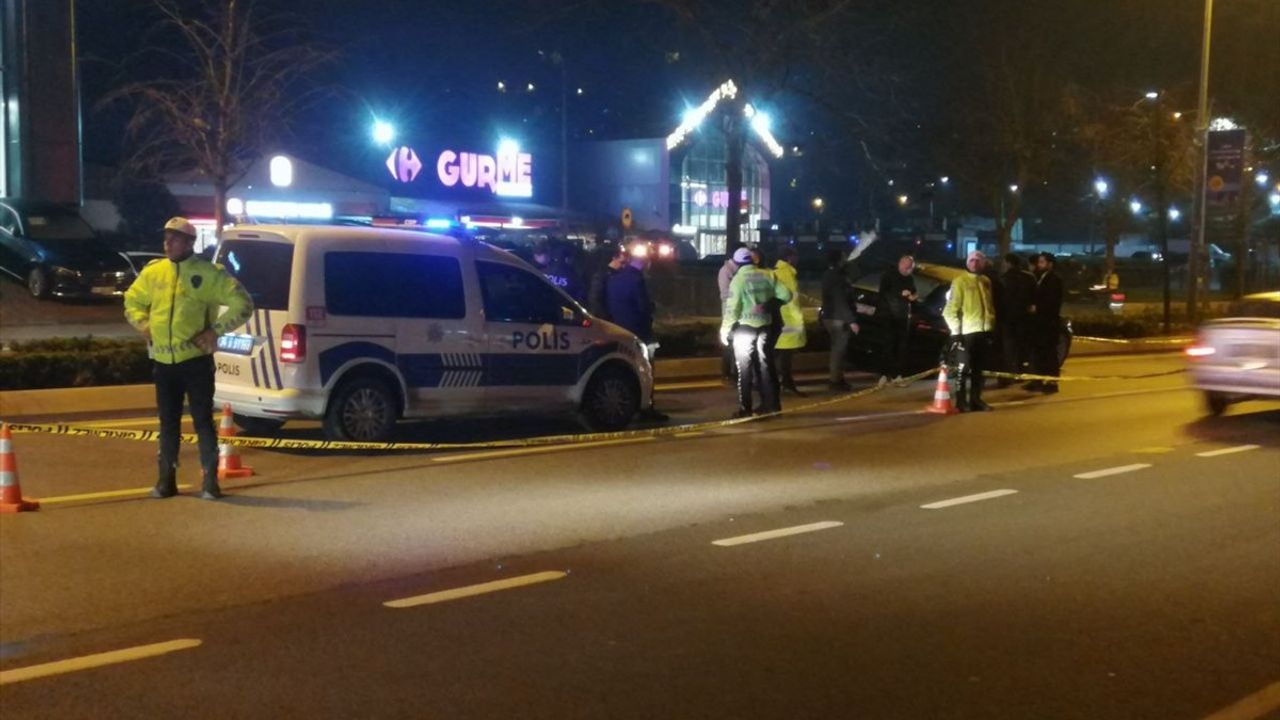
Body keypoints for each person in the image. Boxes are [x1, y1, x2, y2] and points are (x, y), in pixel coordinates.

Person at [123, 217, 254, 499]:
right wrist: (143, 324)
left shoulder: (209, 274)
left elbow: (243, 304)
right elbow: (131, 300)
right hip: (163, 364)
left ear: (190, 243)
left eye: (175, 238)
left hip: (195, 363)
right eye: (166, 238)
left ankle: (209, 482)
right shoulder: (154, 272)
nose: (167, 243)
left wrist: (214, 330)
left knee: (202, 421)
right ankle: (165, 481)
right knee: (167, 422)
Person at [721, 247, 792, 417]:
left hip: (744, 328)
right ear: (752, 260)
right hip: (765, 326)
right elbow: (787, 295)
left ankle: (746, 408)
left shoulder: (738, 280)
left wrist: (725, 330)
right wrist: (768, 304)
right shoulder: (768, 274)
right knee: (766, 365)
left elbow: (732, 309)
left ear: (737, 263)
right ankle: (772, 405)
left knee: (744, 369)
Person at [606, 248, 669, 421]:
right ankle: (647, 407)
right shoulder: (637, 280)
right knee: (648, 369)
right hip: (641, 332)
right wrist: (652, 308)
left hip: (621, 330)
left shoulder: (614, 278)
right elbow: (643, 308)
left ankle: (632, 406)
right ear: (644, 263)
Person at [942, 250, 996, 412]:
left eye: (978, 260)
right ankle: (960, 401)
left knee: (979, 369)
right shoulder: (960, 281)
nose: (975, 263)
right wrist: (956, 332)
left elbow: (989, 306)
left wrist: (991, 327)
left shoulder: (986, 281)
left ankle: (976, 399)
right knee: (963, 369)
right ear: (967, 262)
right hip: (966, 333)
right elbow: (950, 310)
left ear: (984, 263)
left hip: (983, 332)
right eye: (971, 260)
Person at [820, 247, 859, 391]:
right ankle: (835, 381)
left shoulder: (829, 274)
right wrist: (851, 320)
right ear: (839, 260)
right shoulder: (837, 277)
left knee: (837, 349)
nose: (845, 259)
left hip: (831, 316)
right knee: (839, 350)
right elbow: (840, 300)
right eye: (843, 257)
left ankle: (838, 378)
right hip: (838, 318)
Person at [876, 253, 918, 387]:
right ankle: (884, 374)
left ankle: (897, 375)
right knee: (888, 345)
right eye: (907, 268)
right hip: (889, 315)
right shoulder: (889, 276)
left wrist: (913, 296)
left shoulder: (909, 279)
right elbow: (882, 294)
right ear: (901, 264)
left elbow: (914, 292)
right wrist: (899, 294)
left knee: (901, 346)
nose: (909, 270)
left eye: (911, 268)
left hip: (902, 316)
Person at [772, 245, 807, 396]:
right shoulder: (787, 274)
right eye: (796, 256)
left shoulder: (774, 272)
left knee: (777, 354)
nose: (798, 259)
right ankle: (786, 383)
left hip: (778, 319)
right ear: (789, 258)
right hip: (788, 321)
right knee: (785, 356)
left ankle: (779, 382)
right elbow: (793, 300)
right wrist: (799, 321)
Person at [997, 253, 1036, 386]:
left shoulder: (1003, 279)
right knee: (1023, 347)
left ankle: (1008, 377)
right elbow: (1034, 298)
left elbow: (998, 301)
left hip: (1007, 320)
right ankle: (1022, 373)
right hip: (1025, 319)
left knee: (1008, 349)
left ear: (1008, 263)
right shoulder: (1029, 278)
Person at [1029, 251, 1064, 394]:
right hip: (1039, 323)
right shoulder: (1040, 277)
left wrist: (1038, 307)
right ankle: (1038, 380)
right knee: (1039, 353)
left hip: (1049, 323)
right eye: (1039, 262)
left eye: (1042, 262)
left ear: (1050, 264)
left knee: (1049, 354)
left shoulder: (1054, 279)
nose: (1039, 265)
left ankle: (1051, 383)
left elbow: (1053, 301)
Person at [587, 242, 626, 320]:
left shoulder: (609, 274)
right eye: (621, 262)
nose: (623, 266)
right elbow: (595, 299)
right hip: (605, 318)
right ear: (614, 258)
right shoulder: (602, 276)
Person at [717, 253, 740, 383]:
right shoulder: (725, 271)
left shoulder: (737, 270)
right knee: (729, 344)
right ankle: (727, 374)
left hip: (737, 312)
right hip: (729, 312)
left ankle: (734, 374)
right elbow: (724, 294)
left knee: (736, 345)